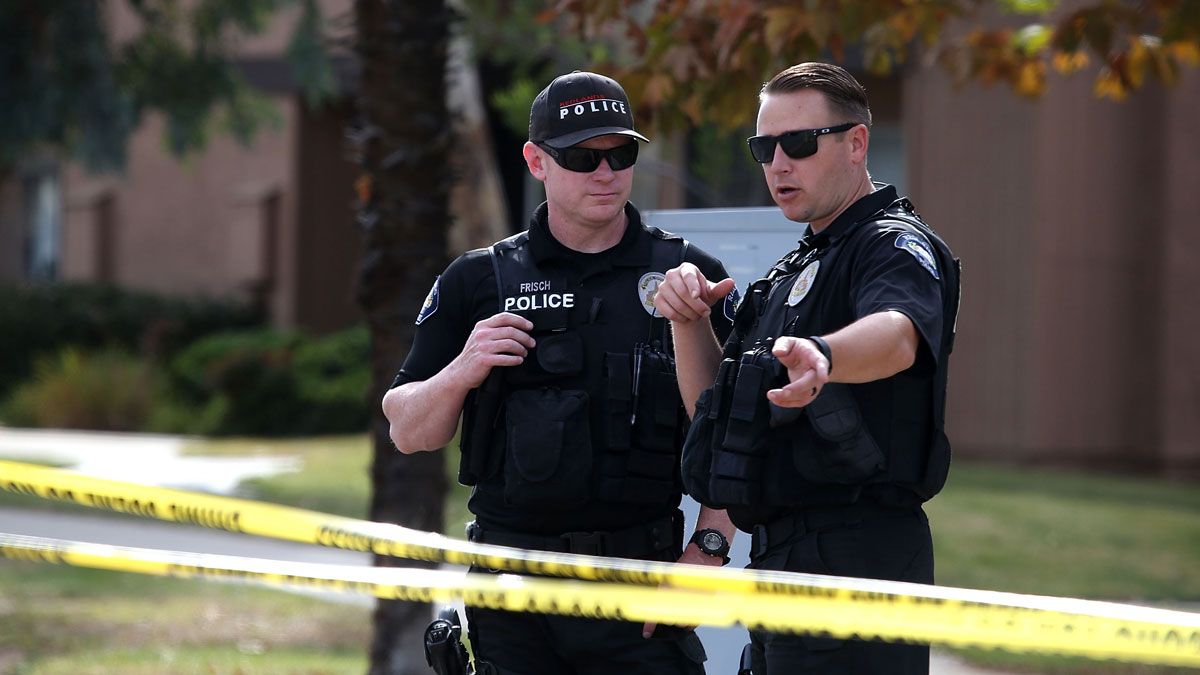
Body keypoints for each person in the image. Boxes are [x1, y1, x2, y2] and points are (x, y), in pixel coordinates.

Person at [382, 70, 739, 675]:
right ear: (535, 161)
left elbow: (736, 431)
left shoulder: (685, 275)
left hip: (638, 586)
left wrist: (707, 551)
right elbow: (407, 429)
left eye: (620, 154)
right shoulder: (479, 279)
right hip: (511, 594)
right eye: (581, 157)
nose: (605, 173)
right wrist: (462, 371)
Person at [653, 62, 961, 674]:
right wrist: (687, 322)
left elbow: (899, 333)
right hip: (781, 560)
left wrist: (825, 355)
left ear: (856, 143)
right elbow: (716, 414)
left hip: (858, 554)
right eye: (763, 148)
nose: (777, 165)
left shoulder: (890, 243)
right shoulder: (794, 268)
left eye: (797, 144)